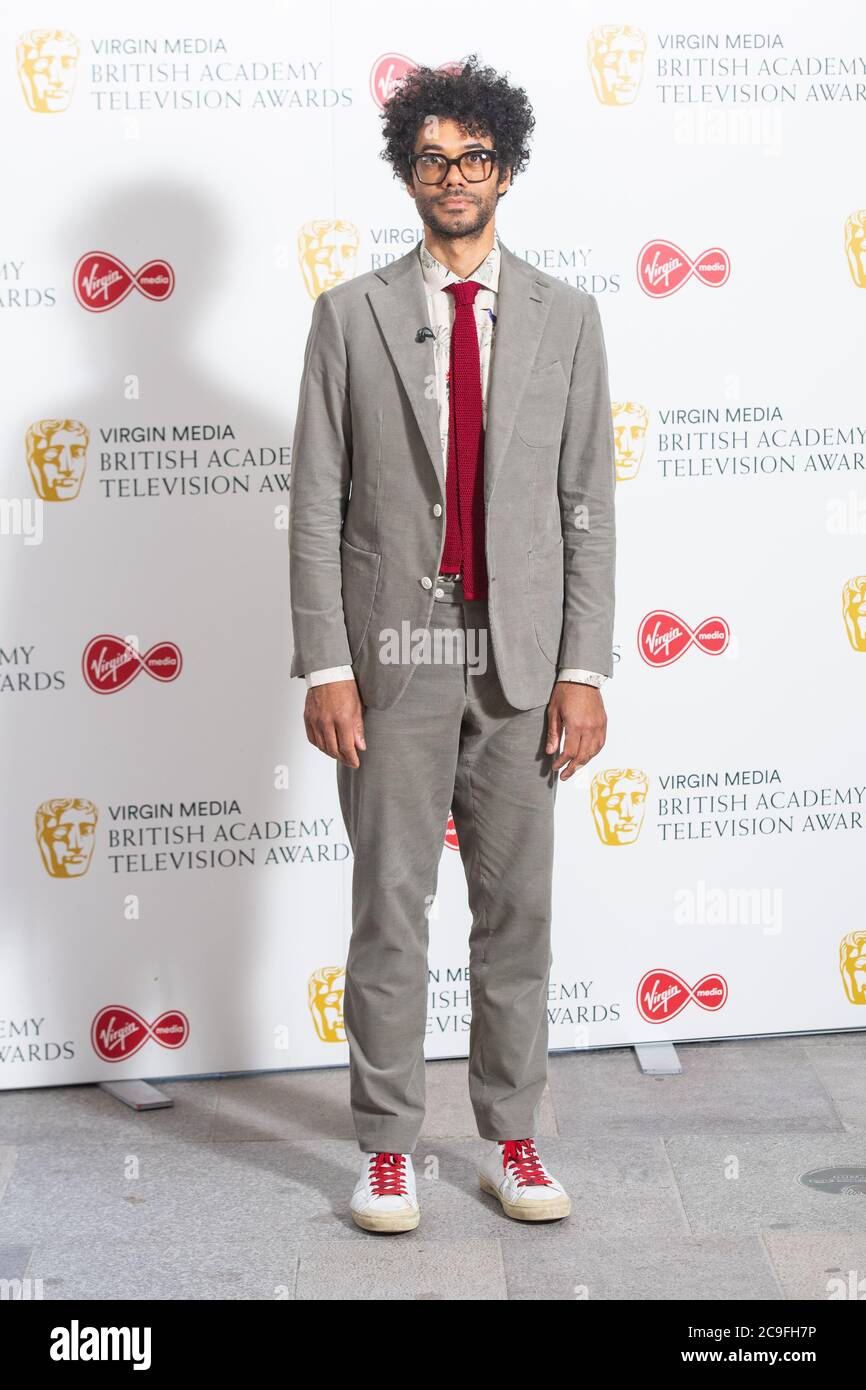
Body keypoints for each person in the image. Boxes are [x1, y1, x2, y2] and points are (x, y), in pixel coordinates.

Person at [289, 53, 616, 1233]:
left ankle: (513, 1140)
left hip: (523, 661)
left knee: (515, 911)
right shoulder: (350, 314)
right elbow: (317, 502)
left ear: (507, 170)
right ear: (407, 176)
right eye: (431, 159)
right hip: (389, 653)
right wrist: (326, 664)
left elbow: (587, 502)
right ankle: (386, 1145)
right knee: (388, 908)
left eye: (473, 157)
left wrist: (583, 669)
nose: (453, 177)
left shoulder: (567, 319)